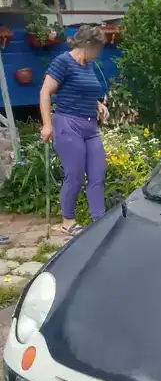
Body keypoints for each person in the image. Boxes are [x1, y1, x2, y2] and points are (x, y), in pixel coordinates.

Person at [40, 24, 109, 236]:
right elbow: (45, 92)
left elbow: (84, 90)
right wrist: (47, 124)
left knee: (97, 174)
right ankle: (67, 221)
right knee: (75, 175)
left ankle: (100, 221)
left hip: (90, 127)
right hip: (68, 124)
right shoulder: (63, 62)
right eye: (97, 48)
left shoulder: (88, 65)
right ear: (87, 44)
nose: (98, 53)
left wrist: (99, 104)